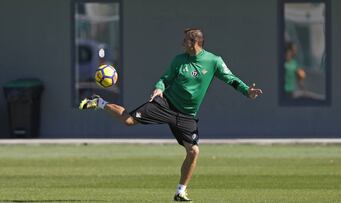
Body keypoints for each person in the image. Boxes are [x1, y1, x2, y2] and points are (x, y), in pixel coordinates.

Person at [79, 28, 263, 201]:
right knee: (128, 120)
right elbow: (164, 79)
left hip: (187, 115)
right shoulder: (179, 60)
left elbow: (230, 78)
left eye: (185, 41)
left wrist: (247, 90)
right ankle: (99, 103)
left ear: (195, 42)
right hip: (166, 104)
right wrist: (158, 89)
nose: (182, 43)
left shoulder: (213, 61)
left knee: (193, 152)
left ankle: (180, 192)